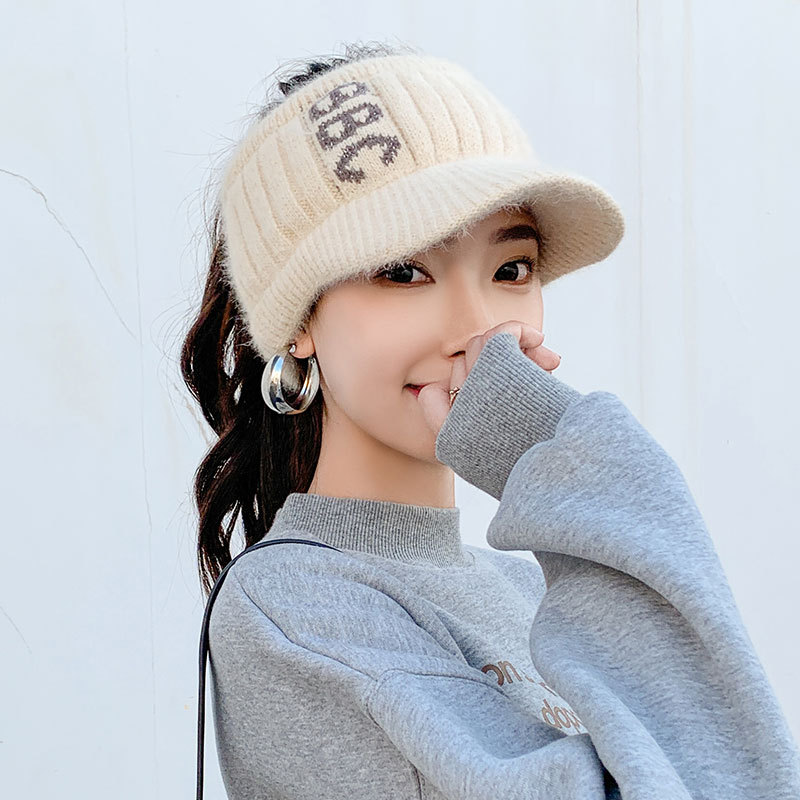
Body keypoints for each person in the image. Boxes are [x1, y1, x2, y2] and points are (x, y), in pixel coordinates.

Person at [180, 40, 800, 799]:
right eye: (403, 271)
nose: (477, 326)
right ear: (298, 319)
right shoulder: (295, 603)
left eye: (511, 269)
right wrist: (552, 453)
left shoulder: (532, 586)